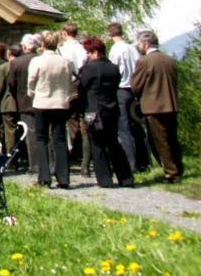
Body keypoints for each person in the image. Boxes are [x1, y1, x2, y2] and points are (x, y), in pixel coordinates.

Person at [77, 37, 135, 188]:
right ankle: (126, 178)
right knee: (114, 143)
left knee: (97, 144)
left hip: (93, 111)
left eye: (88, 52)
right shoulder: (114, 68)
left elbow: (81, 89)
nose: (87, 56)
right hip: (112, 109)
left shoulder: (88, 69)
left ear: (95, 52)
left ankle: (105, 180)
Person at [131, 29, 183, 183]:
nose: (138, 46)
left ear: (145, 44)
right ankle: (178, 168)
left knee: (160, 141)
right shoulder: (170, 60)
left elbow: (136, 86)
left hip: (153, 106)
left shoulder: (144, 61)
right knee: (172, 138)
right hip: (171, 104)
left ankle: (171, 173)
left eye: (139, 44)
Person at [27, 30, 75, 188]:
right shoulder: (66, 61)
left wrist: (32, 93)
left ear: (42, 44)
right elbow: (70, 81)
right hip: (60, 103)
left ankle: (44, 176)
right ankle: (63, 177)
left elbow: (31, 81)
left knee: (41, 139)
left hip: (42, 102)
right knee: (60, 139)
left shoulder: (37, 61)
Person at [106, 22, 150, 173]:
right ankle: (145, 160)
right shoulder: (132, 49)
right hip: (135, 89)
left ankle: (131, 164)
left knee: (123, 128)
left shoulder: (115, 51)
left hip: (121, 89)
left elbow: (113, 71)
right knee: (137, 126)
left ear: (109, 35)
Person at [59, 22, 89, 174]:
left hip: (69, 86)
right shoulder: (83, 48)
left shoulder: (63, 50)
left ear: (64, 33)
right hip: (82, 86)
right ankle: (84, 158)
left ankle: (72, 154)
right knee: (83, 122)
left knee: (70, 121)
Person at [7, 34, 40, 171]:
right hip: (42, 100)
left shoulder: (16, 62)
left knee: (31, 133)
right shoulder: (41, 59)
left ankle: (35, 164)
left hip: (25, 102)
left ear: (24, 46)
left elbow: (11, 83)